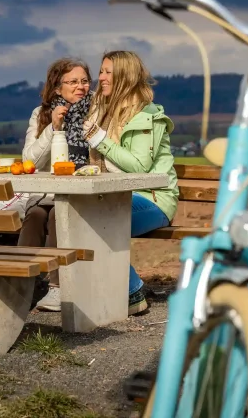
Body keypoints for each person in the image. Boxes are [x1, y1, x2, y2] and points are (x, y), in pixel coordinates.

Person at [82, 50, 179, 315]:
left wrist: (100, 140)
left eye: (107, 72)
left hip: (153, 199)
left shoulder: (146, 117)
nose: (100, 77)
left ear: (124, 76)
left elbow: (140, 167)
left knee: (97, 226)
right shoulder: (104, 111)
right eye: (100, 71)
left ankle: (133, 291)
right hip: (120, 197)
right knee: (84, 221)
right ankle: (112, 290)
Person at [18, 57, 93, 311]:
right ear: (57, 87)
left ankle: (57, 289)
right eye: (72, 82)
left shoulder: (97, 111)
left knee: (56, 217)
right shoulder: (41, 115)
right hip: (47, 192)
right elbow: (29, 160)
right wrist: (53, 128)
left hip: (83, 193)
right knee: (36, 215)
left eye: (84, 81)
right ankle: (20, 285)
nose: (80, 87)